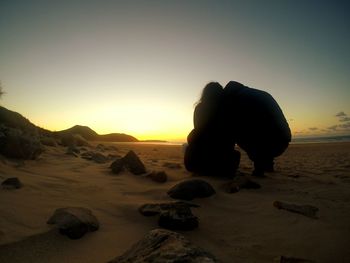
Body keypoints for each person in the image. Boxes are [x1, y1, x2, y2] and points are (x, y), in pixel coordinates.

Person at [223, 81, 291, 176]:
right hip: (283, 140)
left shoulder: (241, 98)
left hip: (271, 142)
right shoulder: (257, 93)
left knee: (236, 129)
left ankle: (260, 167)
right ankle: (267, 164)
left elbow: (249, 125)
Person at [184, 82, 240, 177]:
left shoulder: (199, 108)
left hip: (195, 165)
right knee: (235, 153)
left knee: (188, 143)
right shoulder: (228, 108)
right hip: (224, 166)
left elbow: (197, 128)